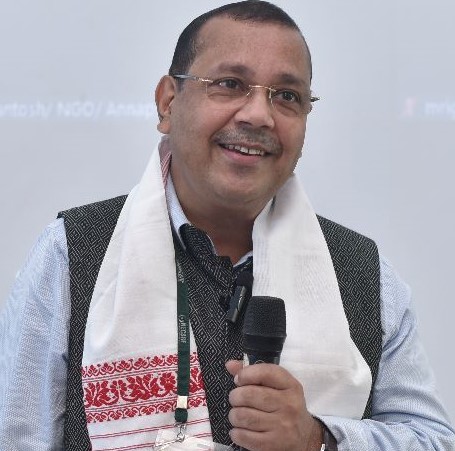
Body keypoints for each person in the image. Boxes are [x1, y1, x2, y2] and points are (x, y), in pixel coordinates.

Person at [0, 1, 454, 450]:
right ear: (167, 103)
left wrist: (319, 439)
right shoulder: (74, 254)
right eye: (230, 84)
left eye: (287, 96)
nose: (258, 115)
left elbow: (432, 440)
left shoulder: (361, 272)